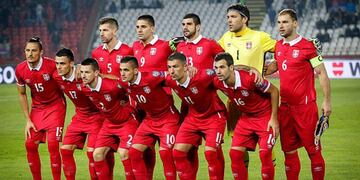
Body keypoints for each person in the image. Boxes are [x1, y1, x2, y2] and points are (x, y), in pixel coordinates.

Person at [266, 9, 331, 180]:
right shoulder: (279, 46)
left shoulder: (308, 46)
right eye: (279, 22)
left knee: (313, 150)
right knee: (288, 151)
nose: (281, 26)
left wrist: (327, 101)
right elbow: (274, 66)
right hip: (285, 108)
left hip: (305, 108)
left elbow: (322, 73)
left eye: (285, 22)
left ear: (295, 23)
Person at [218, 3, 277, 167]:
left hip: (259, 98)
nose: (229, 20)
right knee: (238, 146)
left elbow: (283, 49)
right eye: (228, 17)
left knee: (266, 147)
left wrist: (276, 63)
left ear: (245, 19)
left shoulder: (260, 37)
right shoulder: (225, 38)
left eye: (233, 17)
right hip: (235, 100)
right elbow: (212, 56)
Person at [213, 52, 279, 180]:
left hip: (265, 116)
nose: (218, 71)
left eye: (222, 67)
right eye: (216, 68)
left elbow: (274, 91)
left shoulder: (250, 79)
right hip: (246, 118)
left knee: (265, 153)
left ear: (231, 68)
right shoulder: (218, 82)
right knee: (234, 154)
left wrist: (274, 118)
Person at [166, 52, 226, 180]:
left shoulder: (203, 76)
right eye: (169, 67)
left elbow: (226, 70)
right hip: (193, 117)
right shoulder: (170, 80)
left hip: (214, 116)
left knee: (211, 153)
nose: (171, 71)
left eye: (175, 66)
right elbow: (147, 77)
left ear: (186, 67)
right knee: (177, 153)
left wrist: (250, 69)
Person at [119, 56, 179, 180]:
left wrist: (188, 70)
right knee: (134, 152)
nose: (122, 74)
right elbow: (109, 81)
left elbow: (170, 74)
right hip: (150, 120)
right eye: (121, 70)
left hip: (168, 118)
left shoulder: (151, 77)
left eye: (126, 70)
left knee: (165, 153)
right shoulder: (124, 83)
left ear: (135, 71)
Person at [15, 37, 66, 180]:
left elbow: (65, 79)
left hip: (56, 106)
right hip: (37, 108)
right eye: (27, 50)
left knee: (53, 145)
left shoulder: (51, 65)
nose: (30, 54)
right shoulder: (20, 69)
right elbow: (22, 94)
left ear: (41, 52)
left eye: (34, 50)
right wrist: (28, 120)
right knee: (30, 144)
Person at [80, 58, 138, 180]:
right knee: (97, 154)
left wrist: (130, 108)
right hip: (109, 124)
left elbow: (130, 87)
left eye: (87, 72)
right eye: (82, 72)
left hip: (126, 122)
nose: (83, 76)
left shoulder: (112, 86)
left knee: (124, 153)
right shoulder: (85, 88)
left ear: (96, 73)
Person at [131, 14, 173, 178]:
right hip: (141, 104)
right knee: (144, 148)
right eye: (137, 27)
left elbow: (180, 61)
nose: (139, 30)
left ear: (152, 28)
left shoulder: (164, 46)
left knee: (166, 151)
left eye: (143, 27)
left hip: (161, 102)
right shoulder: (134, 46)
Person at [53, 48, 103, 180]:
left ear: (71, 64)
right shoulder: (57, 77)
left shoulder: (83, 75)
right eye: (57, 63)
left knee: (92, 153)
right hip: (80, 117)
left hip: (97, 116)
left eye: (62, 63)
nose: (59, 67)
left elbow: (101, 77)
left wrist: (81, 68)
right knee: (65, 150)